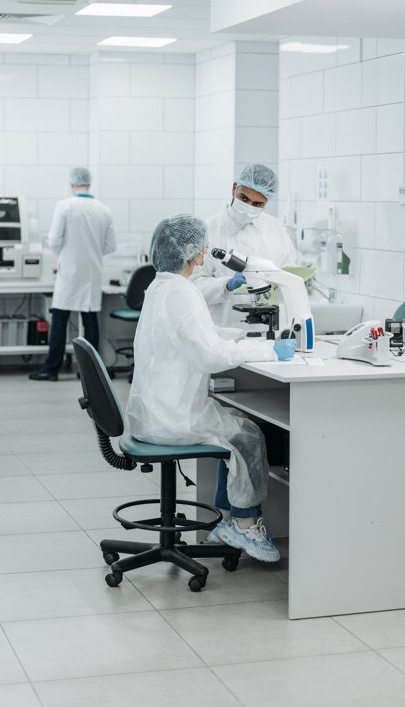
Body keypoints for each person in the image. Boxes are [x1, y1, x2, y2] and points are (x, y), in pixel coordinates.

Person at [126, 214, 297, 563]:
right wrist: (269, 350)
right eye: (203, 243)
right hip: (173, 419)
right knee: (248, 434)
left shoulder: (161, 285)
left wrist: (242, 336)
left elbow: (201, 334)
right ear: (194, 251)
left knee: (234, 423)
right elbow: (210, 355)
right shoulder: (181, 293)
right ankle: (245, 524)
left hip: (154, 409)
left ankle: (231, 516)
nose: (207, 247)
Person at [29, 166, 116, 381]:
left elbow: (54, 240)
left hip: (68, 272)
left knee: (59, 321)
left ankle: (51, 370)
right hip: (92, 273)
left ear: (71, 183)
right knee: (90, 322)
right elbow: (110, 246)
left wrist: (66, 256)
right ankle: (91, 374)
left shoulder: (65, 206)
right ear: (89, 182)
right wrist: (92, 253)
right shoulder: (103, 210)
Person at [194, 163, 298, 327]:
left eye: (257, 204)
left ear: (266, 202)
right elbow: (193, 286)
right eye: (244, 198)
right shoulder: (208, 230)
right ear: (234, 188)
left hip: (269, 329)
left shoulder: (276, 229)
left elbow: (291, 275)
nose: (248, 208)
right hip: (223, 331)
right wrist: (226, 285)